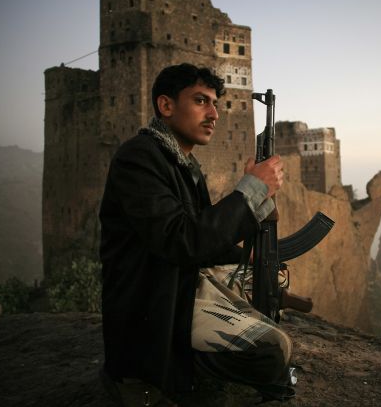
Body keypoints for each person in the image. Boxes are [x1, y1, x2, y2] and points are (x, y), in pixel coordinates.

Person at [98, 63, 294, 405]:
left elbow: (205, 240)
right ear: (166, 106)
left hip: (182, 283)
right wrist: (249, 190)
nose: (214, 114)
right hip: (154, 301)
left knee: (268, 291)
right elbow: (182, 240)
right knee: (272, 351)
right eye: (201, 101)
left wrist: (247, 247)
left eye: (215, 104)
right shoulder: (139, 158)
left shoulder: (185, 165)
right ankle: (149, 373)